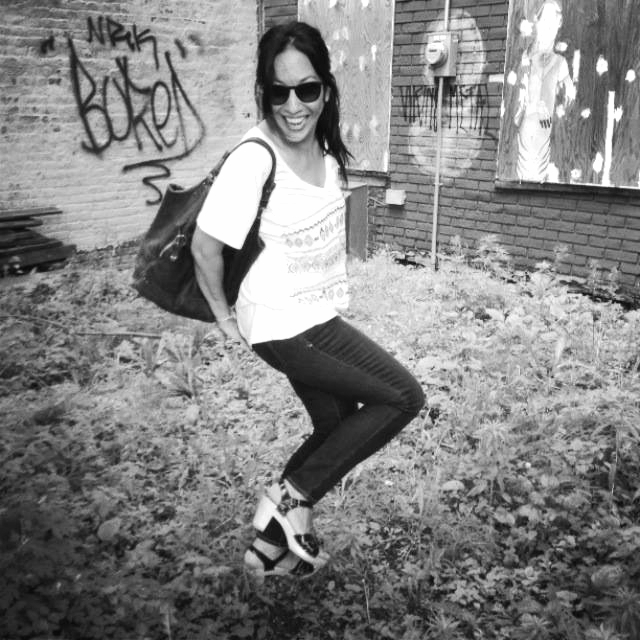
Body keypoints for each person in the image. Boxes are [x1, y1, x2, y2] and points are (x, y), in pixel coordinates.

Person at [191, 21, 425, 578]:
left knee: (336, 422)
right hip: (284, 322)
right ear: (264, 93)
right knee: (402, 397)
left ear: (325, 89)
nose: (293, 106)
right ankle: (294, 497)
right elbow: (205, 247)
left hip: (314, 314)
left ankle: (267, 549)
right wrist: (224, 319)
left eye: (307, 89)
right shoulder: (254, 157)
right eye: (280, 92)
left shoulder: (325, 152)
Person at [514, 0, 575, 182]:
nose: (548, 26)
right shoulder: (526, 58)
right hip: (526, 134)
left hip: (545, 135)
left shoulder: (560, 63)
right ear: (537, 21)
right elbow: (518, 99)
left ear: (559, 24)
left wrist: (556, 113)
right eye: (545, 20)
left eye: (553, 20)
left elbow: (570, 96)